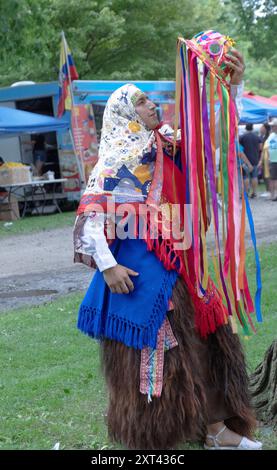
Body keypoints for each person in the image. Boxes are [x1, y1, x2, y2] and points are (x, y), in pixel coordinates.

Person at [73, 33, 262, 451]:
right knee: (159, 355)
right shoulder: (115, 161)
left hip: (185, 265)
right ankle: (157, 441)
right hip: (142, 275)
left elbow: (212, 138)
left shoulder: (170, 144)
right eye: (141, 101)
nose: (152, 105)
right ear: (125, 112)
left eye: (150, 100)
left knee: (210, 343)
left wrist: (227, 85)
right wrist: (108, 265)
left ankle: (216, 429)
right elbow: (90, 218)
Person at [239, 123, 262, 198]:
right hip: (255, 159)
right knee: (254, 176)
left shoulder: (242, 137)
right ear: (252, 128)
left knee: (245, 176)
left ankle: (246, 192)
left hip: (245, 160)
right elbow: (260, 148)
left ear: (246, 128)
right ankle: (254, 192)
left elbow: (240, 148)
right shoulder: (257, 137)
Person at [262, 118, 277, 201]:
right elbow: (266, 147)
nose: (272, 128)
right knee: (272, 178)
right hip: (272, 160)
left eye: (273, 126)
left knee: (274, 179)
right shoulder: (271, 136)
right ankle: (273, 195)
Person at [259, 122, 271, 195]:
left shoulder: (268, 137)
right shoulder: (264, 136)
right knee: (265, 174)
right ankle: (268, 190)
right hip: (264, 158)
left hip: (267, 159)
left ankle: (269, 190)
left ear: (265, 128)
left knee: (268, 175)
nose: (260, 128)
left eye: (262, 127)